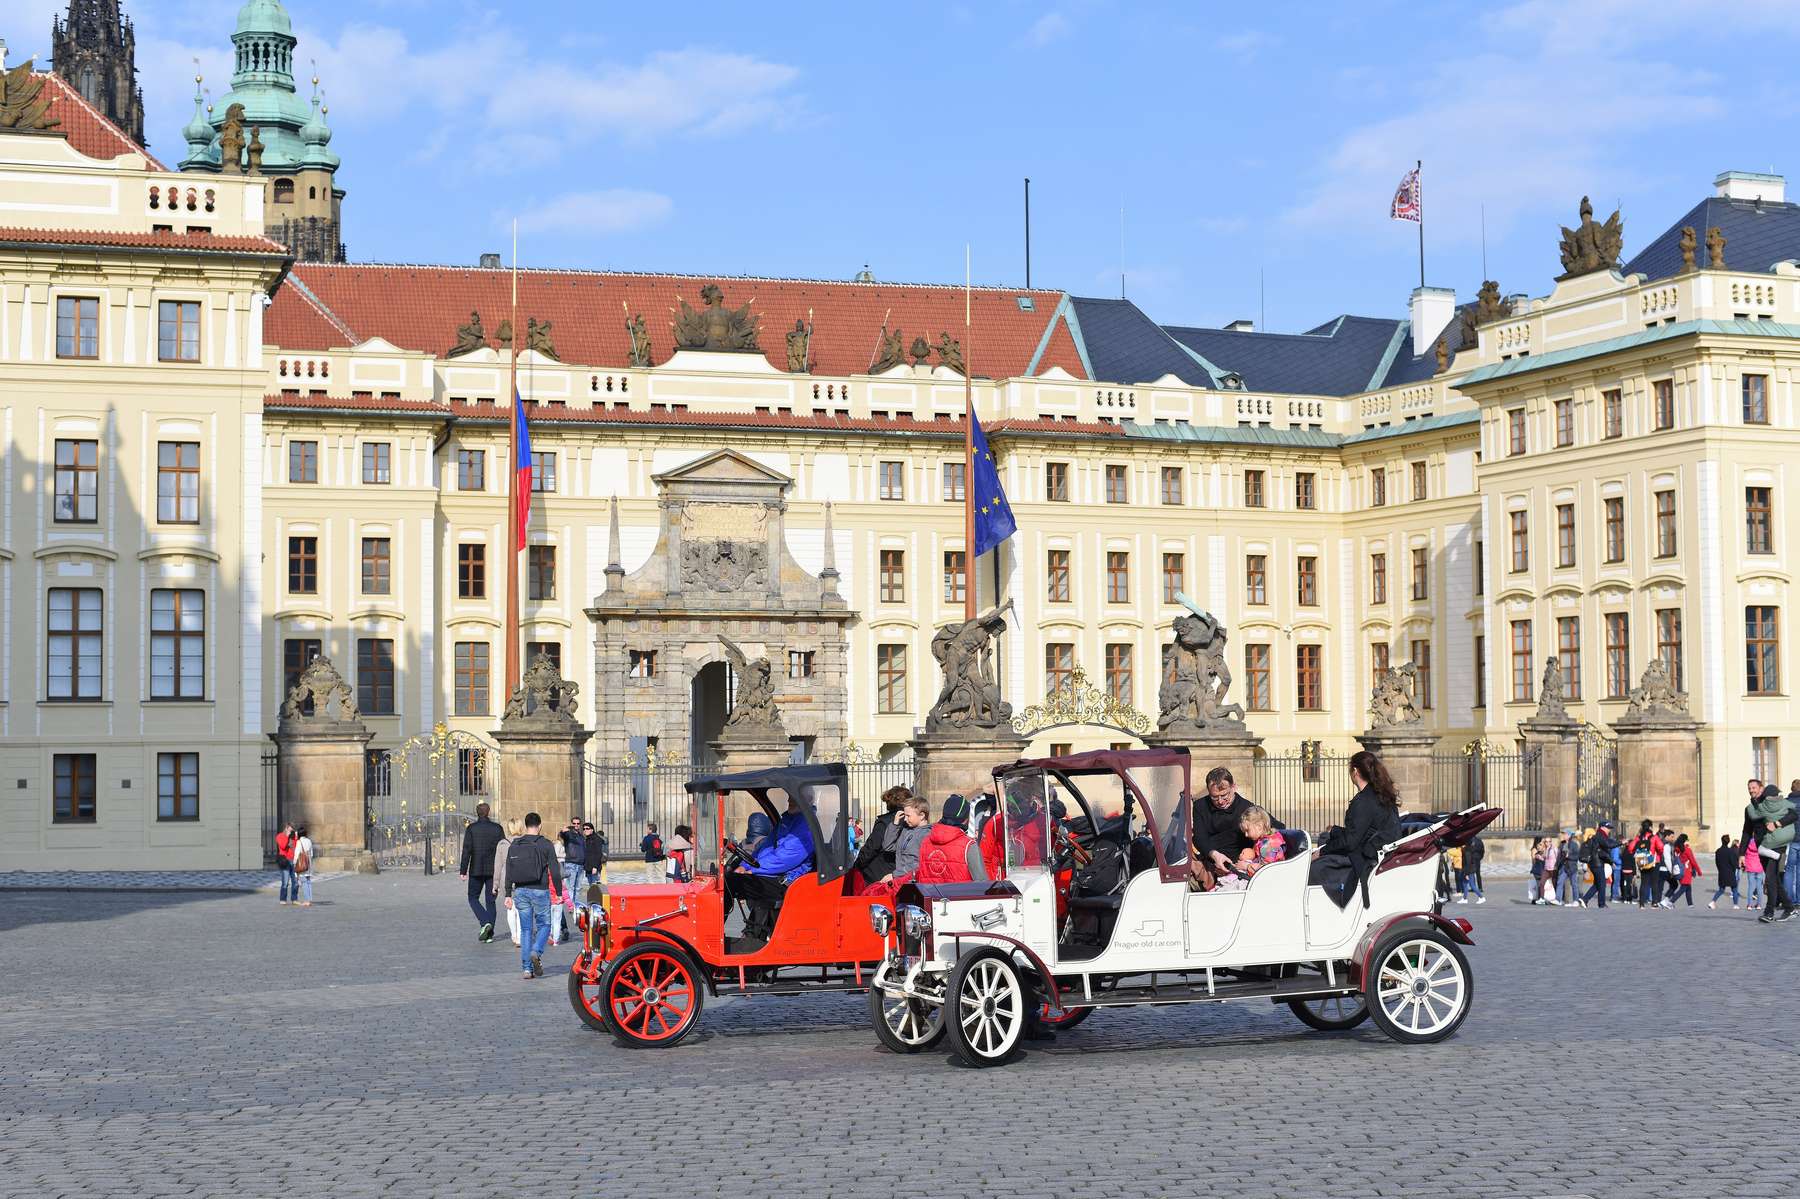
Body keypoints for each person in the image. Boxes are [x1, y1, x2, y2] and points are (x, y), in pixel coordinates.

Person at [1309, 751, 1401, 908]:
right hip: (1368, 851)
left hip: (1363, 858)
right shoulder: (1379, 794)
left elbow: (1352, 841)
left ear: (1355, 771)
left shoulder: (1365, 800)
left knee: (1314, 868)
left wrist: (1321, 852)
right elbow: (1362, 831)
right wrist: (1335, 831)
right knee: (1326, 837)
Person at [727, 794, 817, 941]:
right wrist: (744, 866)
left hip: (790, 880)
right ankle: (753, 935)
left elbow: (785, 858)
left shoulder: (805, 826)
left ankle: (723, 938)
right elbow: (765, 849)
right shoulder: (787, 821)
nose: (789, 801)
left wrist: (753, 869)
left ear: (807, 800)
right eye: (788, 797)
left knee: (730, 883)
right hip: (778, 875)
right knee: (731, 879)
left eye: (793, 797)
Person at [1194, 766, 1285, 879]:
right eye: (1215, 797)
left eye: (1224, 795)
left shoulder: (1247, 808)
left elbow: (1278, 828)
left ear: (1234, 787)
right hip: (1209, 860)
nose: (1220, 801)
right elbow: (1199, 838)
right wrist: (1215, 855)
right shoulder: (1200, 806)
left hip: (1235, 868)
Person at [503, 812, 558, 979]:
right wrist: (560, 892)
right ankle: (536, 951)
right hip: (540, 890)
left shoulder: (515, 844)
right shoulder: (546, 844)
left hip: (520, 890)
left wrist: (507, 893)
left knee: (525, 930)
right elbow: (555, 869)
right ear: (540, 825)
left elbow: (509, 869)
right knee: (545, 925)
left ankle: (527, 969)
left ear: (526, 826)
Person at [1742, 784, 1798, 923]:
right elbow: (1747, 831)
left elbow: (1793, 815)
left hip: (1777, 845)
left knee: (1770, 878)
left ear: (1761, 789)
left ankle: (1769, 912)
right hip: (1762, 847)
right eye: (1749, 788)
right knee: (1774, 879)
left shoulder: (1776, 802)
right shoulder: (1751, 808)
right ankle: (1789, 908)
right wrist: (1741, 853)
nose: (1751, 790)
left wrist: (1777, 823)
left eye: (1754, 788)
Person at [914, 793, 987, 884]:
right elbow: (982, 884)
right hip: (959, 897)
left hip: (931, 897)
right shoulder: (969, 846)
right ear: (966, 819)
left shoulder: (925, 841)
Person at [459, 802, 504, 942]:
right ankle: (489, 933)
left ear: (477, 812)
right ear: (488, 812)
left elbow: (467, 850)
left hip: (476, 869)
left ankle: (485, 923)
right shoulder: (497, 828)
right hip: (493, 869)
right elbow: (502, 849)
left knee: (473, 898)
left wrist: (463, 870)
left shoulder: (472, 829)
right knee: (491, 901)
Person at [1214, 806, 1285, 892]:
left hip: (1267, 884)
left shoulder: (1270, 844)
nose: (1246, 835)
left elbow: (1266, 871)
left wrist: (1246, 866)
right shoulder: (1262, 841)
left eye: (1247, 830)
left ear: (1259, 826)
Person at [852, 785, 911, 887]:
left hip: (880, 873)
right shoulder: (911, 820)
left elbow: (871, 848)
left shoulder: (885, 822)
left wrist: (857, 865)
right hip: (903, 871)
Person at [493, 816, 524, 945]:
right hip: (523, 877)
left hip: (507, 878)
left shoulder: (502, 844)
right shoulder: (526, 842)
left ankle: (514, 935)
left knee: (511, 909)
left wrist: (495, 883)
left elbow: (498, 865)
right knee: (521, 908)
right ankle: (521, 936)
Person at [1579, 821, 1618, 908]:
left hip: (1596, 863)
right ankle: (1601, 904)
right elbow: (1604, 850)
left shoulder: (1599, 836)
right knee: (1602, 884)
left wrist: (1609, 861)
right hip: (1597, 863)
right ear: (1602, 827)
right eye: (1608, 828)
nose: (1609, 830)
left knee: (1598, 884)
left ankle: (1585, 899)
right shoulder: (1600, 836)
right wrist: (1621, 843)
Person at [1628, 820, 1664, 909]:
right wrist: (1658, 852)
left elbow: (1630, 848)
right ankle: (1654, 903)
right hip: (1654, 862)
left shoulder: (1638, 838)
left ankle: (1641, 903)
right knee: (1654, 883)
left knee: (1644, 883)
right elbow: (1661, 847)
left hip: (1643, 862)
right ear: (1650, 827)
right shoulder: (1654, 837)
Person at [558, 820, 587, 923]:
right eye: (574, 823)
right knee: (571, 887)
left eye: (578, 823)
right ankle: (571, 907)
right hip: (571, 864)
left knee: (578, 888)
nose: (576, 825)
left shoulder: (581, 836)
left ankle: (575, 905)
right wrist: (563, 832)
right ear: (572, 824)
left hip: (580, 865)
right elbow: (563, 835)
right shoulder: (569, 834)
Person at [1664, 833, 1700, 907]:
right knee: (1683, 888)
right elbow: (1693, 861)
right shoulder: (1687, 849)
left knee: (1688, 887)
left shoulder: (1676, 849)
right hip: (1686, 870)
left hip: (1679, 870)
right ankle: (1671, 902)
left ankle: (1690, 904)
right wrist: (1698, 871)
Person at [1711, 835, 1740, 909]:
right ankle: (1735, 905)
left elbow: (1717, 862)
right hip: (1730, 873)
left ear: (1722, 841)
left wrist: (1720, 870)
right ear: (1728, 841)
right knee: (1734, 889)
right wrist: (1738, 867)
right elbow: (1733, 862)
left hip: (1722, 872)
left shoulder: (1718, 851)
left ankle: (1713, 902)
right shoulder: (1730, 851)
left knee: (1721, 889)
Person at [292, 825, 315, 907]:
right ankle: (310, 899)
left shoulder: (299, 842)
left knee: (304, 882)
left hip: (302, 864)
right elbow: (311, 854)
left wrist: (294, 863)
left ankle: (307, 900)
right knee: (308, 882)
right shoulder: (309, 841)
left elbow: (296, 853)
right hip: (308, 864)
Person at [275, 823, 298, 905]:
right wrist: (287, 836)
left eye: (292, 831)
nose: (291, 832)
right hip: (285, 861)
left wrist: (296, 837)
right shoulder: (280, 836)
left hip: (294, 861)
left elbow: (297, 847)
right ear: (286, 828)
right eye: (290, 830)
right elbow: (283, 846)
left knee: (295, 882)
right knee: (285, 882)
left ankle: (294, 899)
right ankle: (283, 899)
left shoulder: (294, 837)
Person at [1557, 830, 1581, 905]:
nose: (1564, 835)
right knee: (1560, 882)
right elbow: (1559, 856)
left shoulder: (1574, 844)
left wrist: (1569, 856)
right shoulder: (1562, 844)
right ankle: (1558, 900)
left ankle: (1576, 900)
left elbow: (1577, 856)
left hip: (1572, 867)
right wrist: (1557, 865)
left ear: (1569, 835)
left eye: (1565, 834)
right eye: (1563, 834)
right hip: (1564, 866)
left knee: (1574, 884)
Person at [1460, 836, 1487, 904]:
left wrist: (1466, 873)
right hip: (1470, 868)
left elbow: (1468, 863)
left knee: (1472, 885)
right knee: (1465, 884)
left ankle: (1481, 897)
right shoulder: (1469, 849)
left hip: (1469, 870)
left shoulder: (1467, 851)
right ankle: (1464, 898)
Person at [1743, 836, 1766, 911]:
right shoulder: (1761, 842)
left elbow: (1743, 853)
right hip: (1759, 867)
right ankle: (1759, 905)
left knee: (1751, 887)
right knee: (1759, 887)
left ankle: (1749, 905)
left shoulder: (1747, 843)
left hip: (1750, 867)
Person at [581, 822, 607, 887]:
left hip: (594, 867)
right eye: (584, 829)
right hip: (588, 867)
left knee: (595, 887)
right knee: (591, 886)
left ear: (592, 830)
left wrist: (595, 867)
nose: (585, 830)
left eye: (587, 828)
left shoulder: (596, 839)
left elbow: (598, 854)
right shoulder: (587, 839)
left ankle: (596, 897)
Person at [1529, 838, 1547, 905]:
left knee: (1539, 884)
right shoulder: (1534, 850)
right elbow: (1533, 861)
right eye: (1541, 842)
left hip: (1540, 869)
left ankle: (1538, 898)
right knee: (1539, 884)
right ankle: (1538, 898)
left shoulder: (1542, 849)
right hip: (1537, 870)